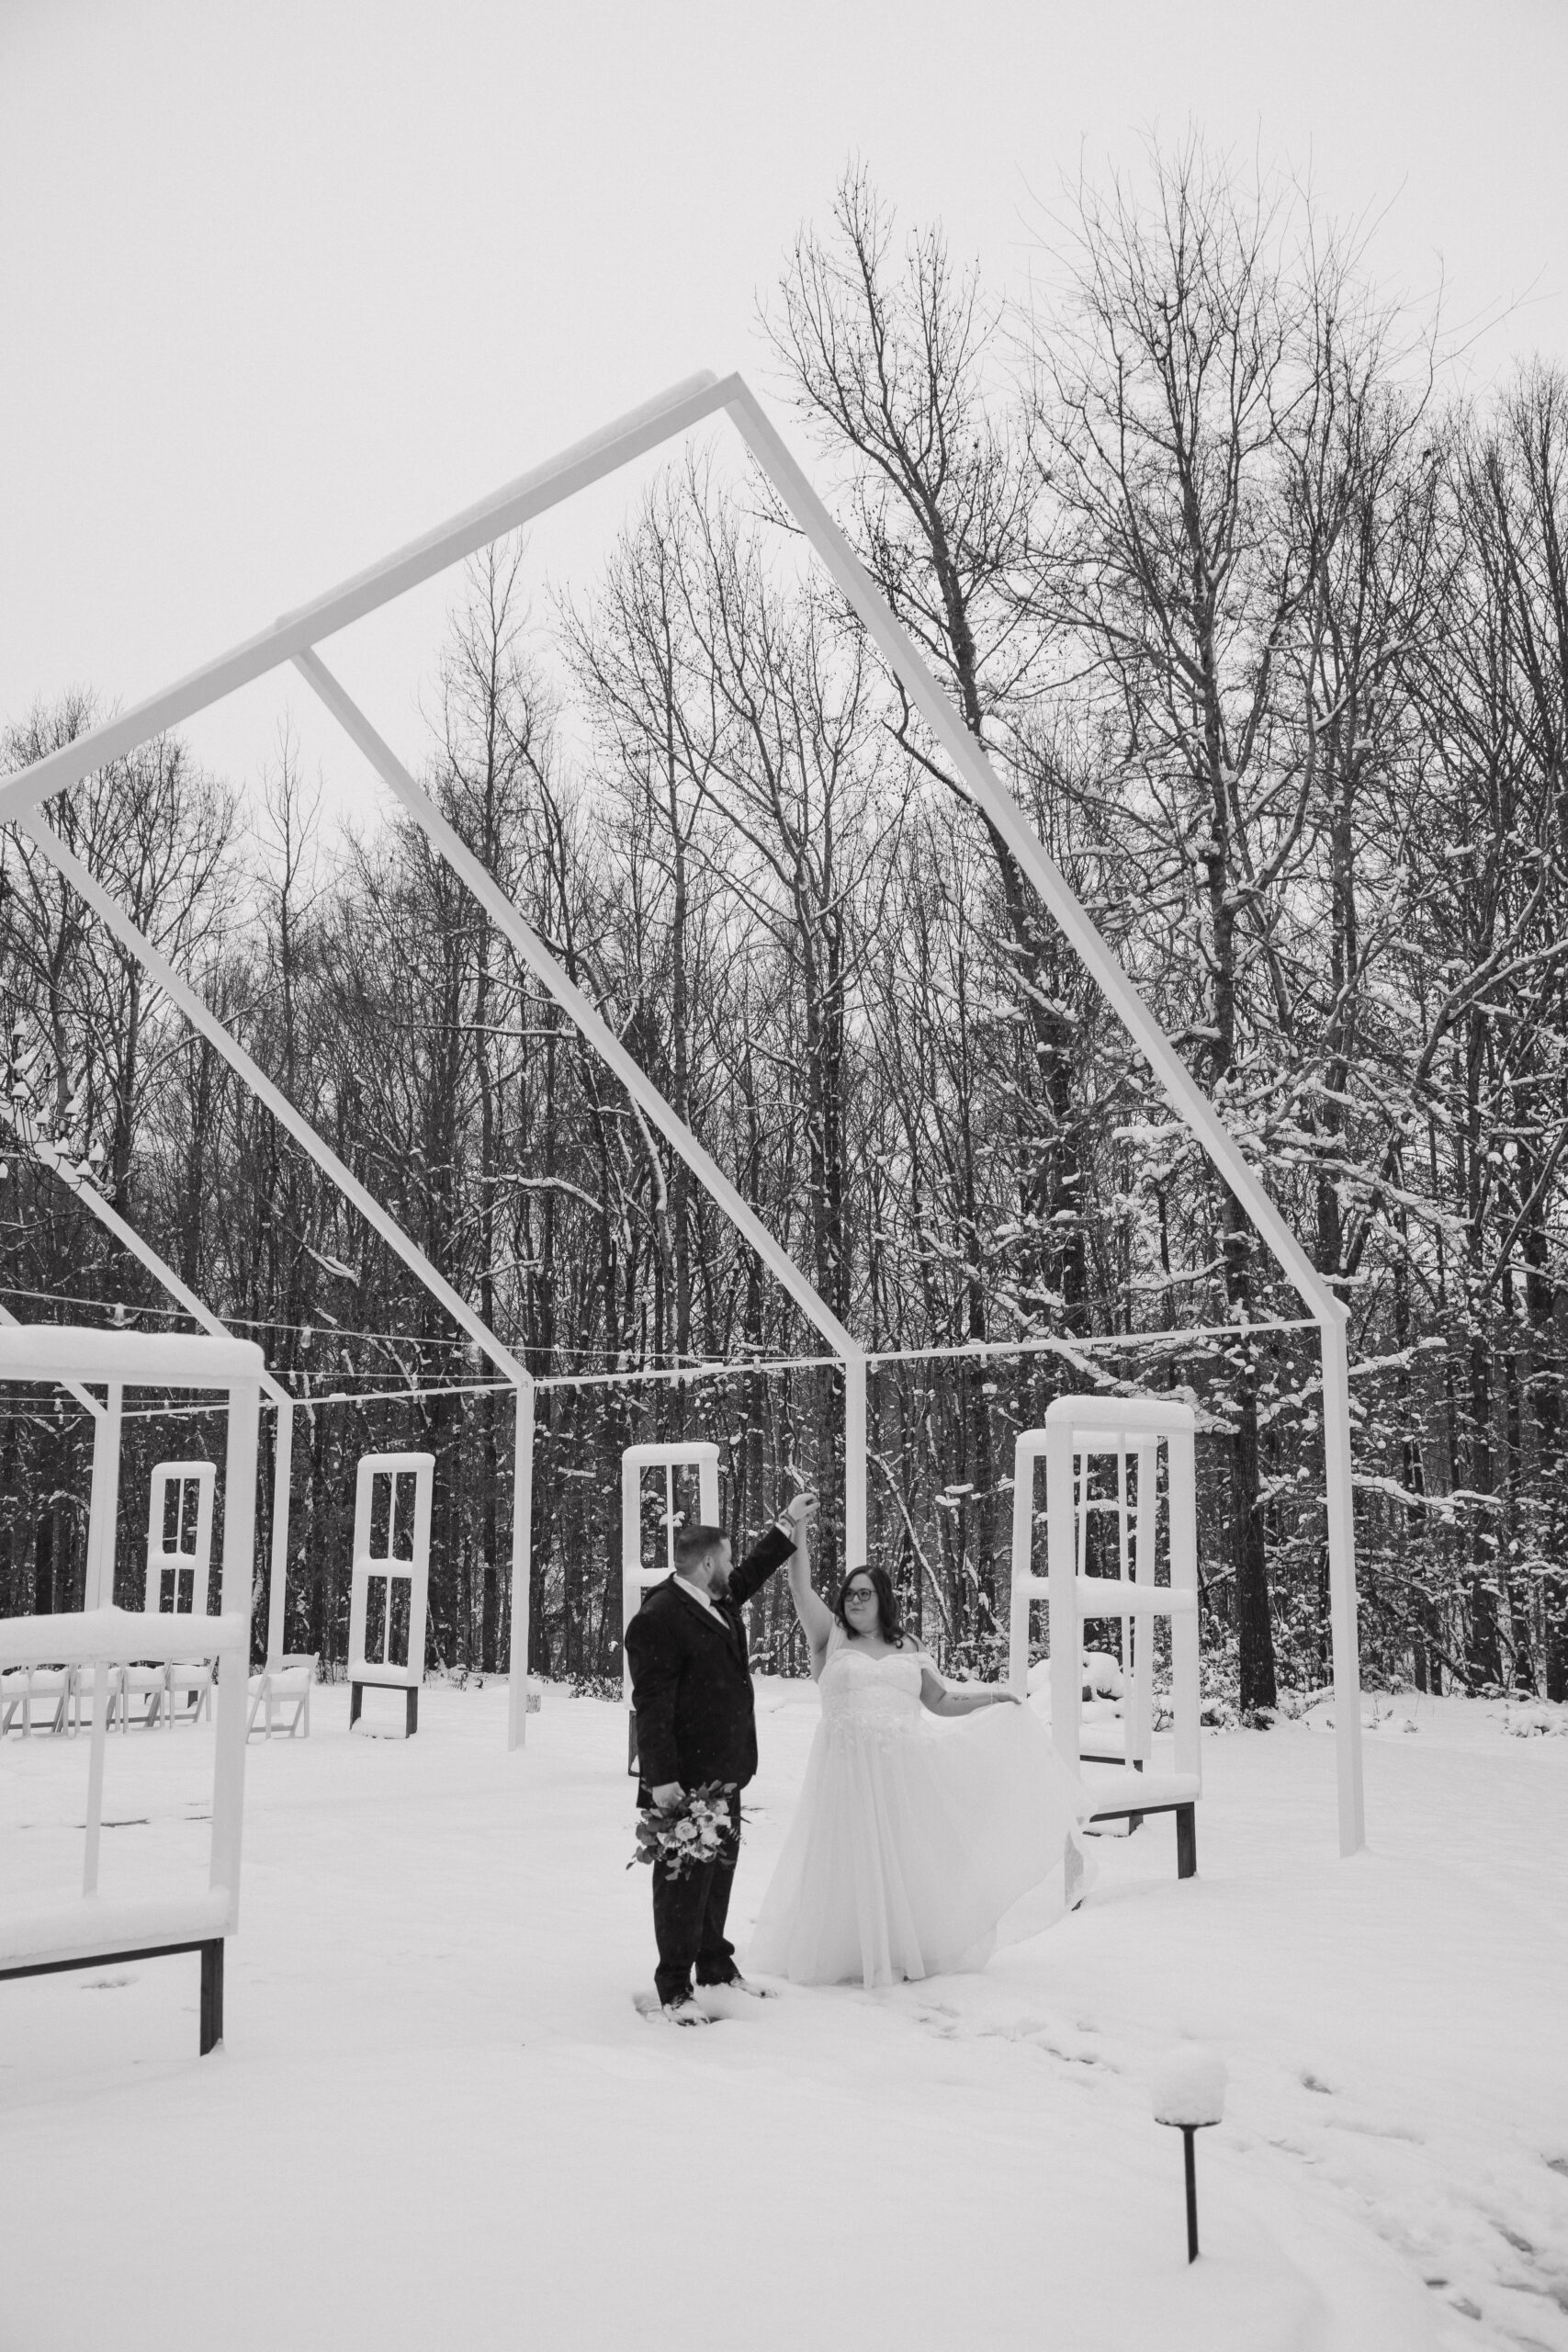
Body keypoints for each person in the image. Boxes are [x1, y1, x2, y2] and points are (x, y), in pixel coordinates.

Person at [748, 1532, 1090, 1989]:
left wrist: (992, 1698)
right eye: (849, 1594)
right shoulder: (831, 1637)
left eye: (865, 1593)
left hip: (902, 1772)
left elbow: (941, 1701)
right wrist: (797, 1534)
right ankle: (848, 1949)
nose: (855, 1600)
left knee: (902, 1859)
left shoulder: (909, 1645)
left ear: (883, 1599)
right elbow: (799, 1587)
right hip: (845, 1773)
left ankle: (902, 1948)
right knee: (847, 1858)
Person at [626, 1491, 818, 2025]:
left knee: (718, 1876)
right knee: (682, 1885)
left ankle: (714, 1966)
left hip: (726, 1773)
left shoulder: (715, 1596)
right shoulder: (659, 1617)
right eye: (727, 1559)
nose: (733, 1568)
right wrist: (662, 1780)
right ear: (708, 1562)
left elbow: (752, 1572)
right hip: (682, 1783)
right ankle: (674, 1987)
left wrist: (788, 1522)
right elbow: (652, 1706)